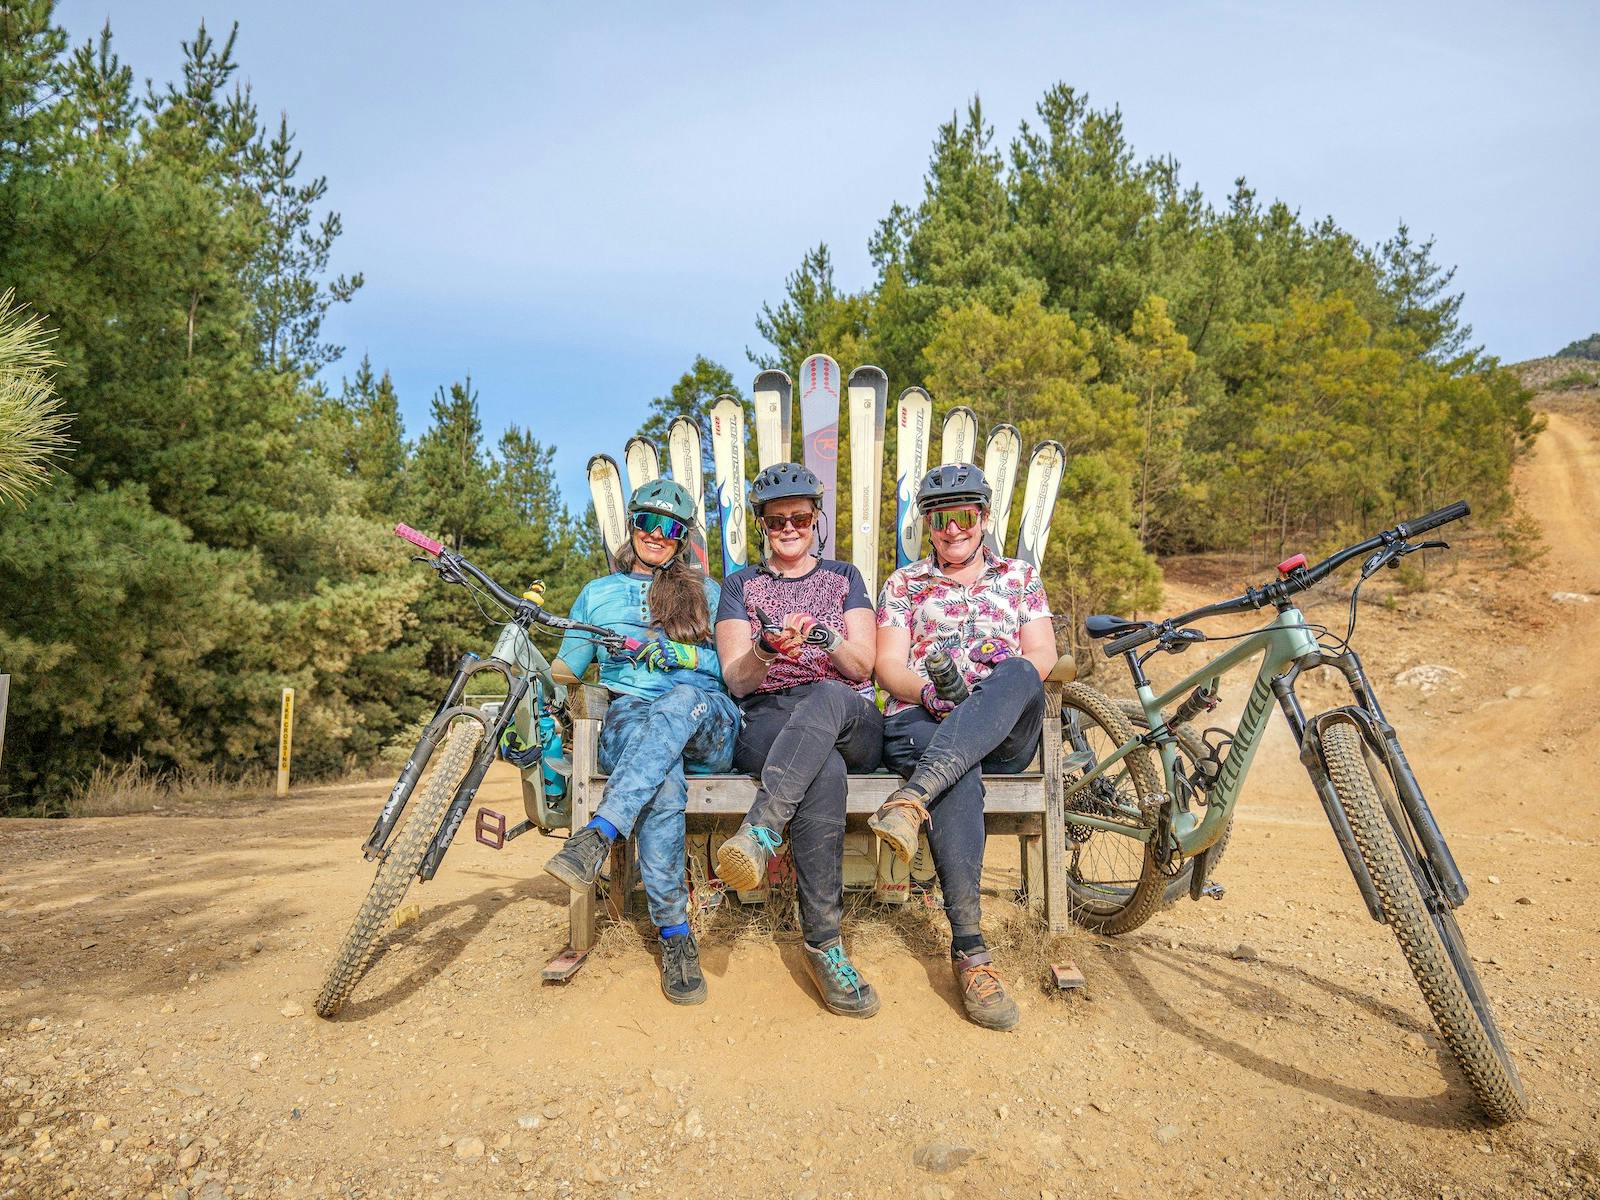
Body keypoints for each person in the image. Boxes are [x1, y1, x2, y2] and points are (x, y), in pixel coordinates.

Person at [871, 463, 1057, 1031]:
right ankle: (973, 956)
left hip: (1004, 725)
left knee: (1021, 670)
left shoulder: (1020, 576)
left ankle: (913, 797)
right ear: (927, 524)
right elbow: (887, 668)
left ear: (983, 518)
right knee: (959, 772)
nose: (953, 530)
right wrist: (931, 691)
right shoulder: (904, 585)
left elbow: (1043, 657)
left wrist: (981, 696)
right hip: (923, 719)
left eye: (964, 517)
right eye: (940, 519)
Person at [545, 478, 738, 1006]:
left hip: (707, 717)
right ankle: (677, 937)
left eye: (669, 527)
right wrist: (531, 660)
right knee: (662, 780)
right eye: (647, 523)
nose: (657, 535)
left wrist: (685, 658)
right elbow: (568, 669)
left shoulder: (710, 593)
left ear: (683, 538)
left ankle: (601, 831)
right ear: (631, 527)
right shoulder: (596, 594)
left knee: (676, 704)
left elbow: (738, 671)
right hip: (630, 717)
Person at [712, 463, 884, 1018]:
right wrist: (765, 649)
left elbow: (863, 667)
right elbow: (736, 680)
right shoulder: (740, 586)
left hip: (846, 711)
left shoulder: (844, 577)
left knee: (829, 700)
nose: (790, 527)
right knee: (824, 772)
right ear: (762, 524)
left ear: (817, 521)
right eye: (777, 519)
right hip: (771, 716)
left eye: (801, 518)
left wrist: (825, 636)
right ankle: (824, 944)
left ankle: (761, 830)